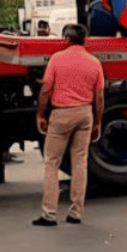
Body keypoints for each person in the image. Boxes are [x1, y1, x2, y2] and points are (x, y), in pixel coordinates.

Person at [32, 24, 105, 225]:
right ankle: (76, 212)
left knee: (52, 163)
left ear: (66, 38)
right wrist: (98, 121)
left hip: (61, 114)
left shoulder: (57, 58)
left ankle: (49, 213)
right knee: (80, 162)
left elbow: (46, 89)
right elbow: (99, 97)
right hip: (85, 113)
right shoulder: (94, 62)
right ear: (84, 40)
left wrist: (40, 114)